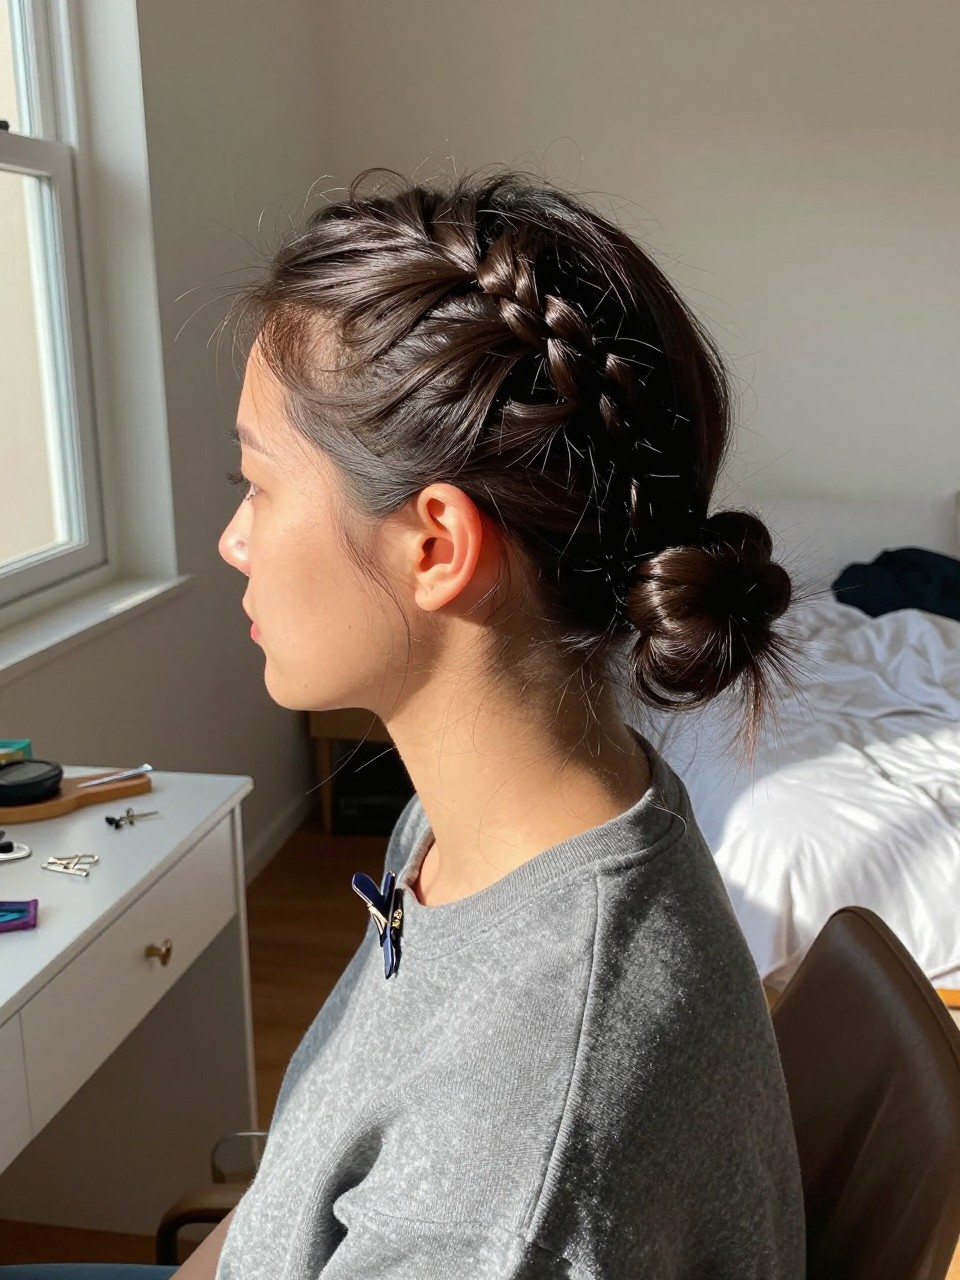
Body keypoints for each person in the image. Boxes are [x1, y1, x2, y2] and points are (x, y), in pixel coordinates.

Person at [2, 169, 805, 1278]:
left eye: (257, 483)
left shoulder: (508, 1175)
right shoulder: (482, 824)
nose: (235, 540)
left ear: (435, 543)